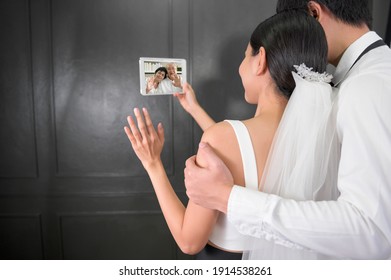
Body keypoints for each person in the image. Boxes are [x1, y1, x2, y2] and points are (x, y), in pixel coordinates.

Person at [184, 0, 391, 259]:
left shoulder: (368, 86)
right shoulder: (343, 87)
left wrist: (228, 198)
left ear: (313, 13)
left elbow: (372, 230)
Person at [124, 10, 331, 259]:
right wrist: (194, 108)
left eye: (245, 56)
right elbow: (237, 146)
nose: (240, 68)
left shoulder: (222, 138)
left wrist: (153, 163)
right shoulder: (318, 137)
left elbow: (188, 241)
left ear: (260, 60)